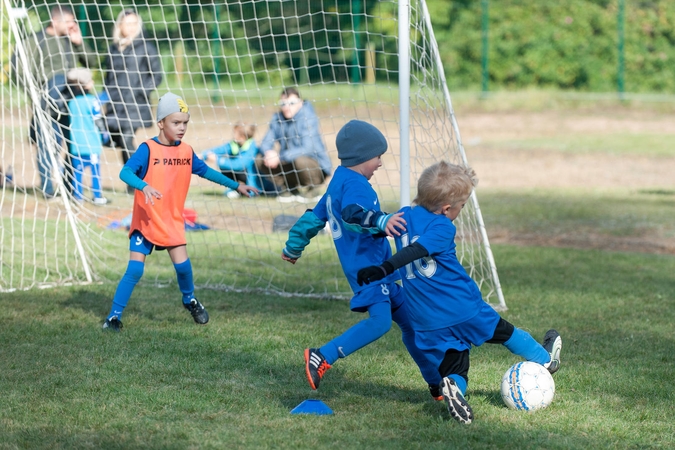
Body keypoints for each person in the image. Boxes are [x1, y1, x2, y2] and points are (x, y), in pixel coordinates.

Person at [356, 161, 563, 424]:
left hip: (425, 319)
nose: (460, 211)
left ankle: (453, 388)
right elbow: (417, 251)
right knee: (506, 333)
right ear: (445, 209)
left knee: (456, 366)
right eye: (461, 206)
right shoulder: (443, 226)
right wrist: (385, 267)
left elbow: (381, 230)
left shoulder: (403, 216)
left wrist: (365, 223)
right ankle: (546, 360)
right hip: (462, 308)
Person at [281, 120, 441, 398]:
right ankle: (321, 355)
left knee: (412, 324)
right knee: (379, 323)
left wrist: (293, 248)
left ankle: (437, 383)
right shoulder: (357, 187)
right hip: (369, 272)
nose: (380, 163)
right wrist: (383, 220)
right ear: (362, 156)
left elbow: (311, 219)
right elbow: (353, 214)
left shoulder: (338, 183)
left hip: (381, 271)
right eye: (378, 156)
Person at [102, 93, 259, 331]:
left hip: (171, 220)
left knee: (183, 267)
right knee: (135, 269)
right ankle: (113, 317)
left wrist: (236, 185)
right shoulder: (148, 149)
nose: (182, 127)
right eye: (176, 123)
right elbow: (125, 173)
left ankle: (189, 300)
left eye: (185, 122)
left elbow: (206, 171)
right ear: (161, 123)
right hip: (146, 220)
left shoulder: (186, 152)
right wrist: (143, 185)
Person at [20, 5, 98, 198]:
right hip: (46, 104)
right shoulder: (35, 41)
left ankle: (70, 188)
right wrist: (44, 89)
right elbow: (21, 71)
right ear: (55, 21)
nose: (73, 25)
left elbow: (92, 62)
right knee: (48, 146)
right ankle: (48, 189)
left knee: (74, 146)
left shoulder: (70, 40)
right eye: (69, 21)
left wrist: (79, 43)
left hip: (71, 104)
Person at [102, 9, 163, 185]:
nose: (131, 27)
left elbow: (157, 76)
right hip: (115, 105)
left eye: (134, 23)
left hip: (135, 105)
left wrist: (139, 91)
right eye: (128, 23)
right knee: (120, 140)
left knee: (126, 139)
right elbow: (108, 77)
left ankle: (137, 181)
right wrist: (106, 97)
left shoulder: (146, 47)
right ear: (120, 25)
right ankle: (137, 178)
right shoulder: (113, 48)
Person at [256, 87, 332, 203]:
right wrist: (268, 153)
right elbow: (265, 142)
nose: (287, 107)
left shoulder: (309, 118)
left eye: (291, 103)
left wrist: (279, 157)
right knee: (260, 159)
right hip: (289, 163)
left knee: (299, 159)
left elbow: (307, 148)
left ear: (300, 103)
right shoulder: (277, 118)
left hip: (313, 166)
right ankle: (289, 189)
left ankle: (313, 189)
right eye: (283, 103)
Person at [65, 68, 110, 205]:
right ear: (86, 84)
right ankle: (98, 196)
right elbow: (98, 119)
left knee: (77, 172)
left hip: (76, 144)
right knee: (95, 171)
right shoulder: (92, 101)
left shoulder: (71, 102)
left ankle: (77, 196)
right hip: (91, 143)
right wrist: (105, 134)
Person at [201, 121, 262, 198]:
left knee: (227, 164)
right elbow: (219, 150)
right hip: (240, 175)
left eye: (234, 132)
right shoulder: (234, 144)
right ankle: (234, 189)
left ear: (242, 136)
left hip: (254, 181)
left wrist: (218, 160)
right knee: (224, 166)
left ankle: (249, 190)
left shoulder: (252, 148)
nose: (232, 135)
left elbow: (238, 165)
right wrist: (202, 155)